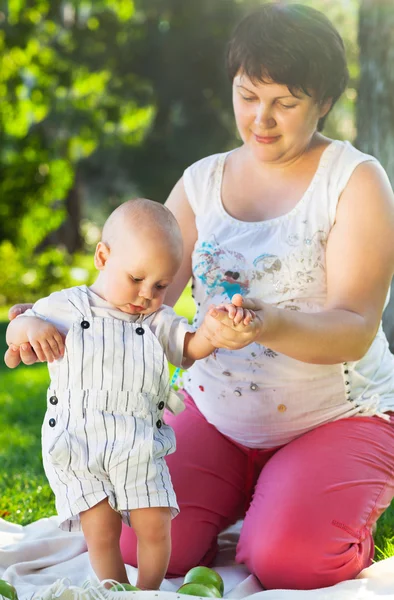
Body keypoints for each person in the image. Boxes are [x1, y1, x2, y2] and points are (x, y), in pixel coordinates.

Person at [6, 2, 394, 592]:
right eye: (247, 95)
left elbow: (355, 326)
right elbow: (137, 293)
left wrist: (267, 324)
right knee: (143, 540)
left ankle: (306, 508)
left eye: (285, 103)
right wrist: (57, 318)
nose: (260, 119)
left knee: (289, 562)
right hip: (217, 414)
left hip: (337, 416)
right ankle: (257, 496)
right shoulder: (202, 182)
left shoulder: (355, 180)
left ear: (324, 103)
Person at [5, 198, 253, 590]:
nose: (145, 294)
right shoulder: (65, 306)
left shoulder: (156, 320)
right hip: (78, 441)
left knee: (154, 524)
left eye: (160, 285)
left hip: (137, 442)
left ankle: (148, 591)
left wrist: (212, 332)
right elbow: (17, 328)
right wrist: (28, 328)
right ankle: (114, 590)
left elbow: (188, 347)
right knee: (100, 531)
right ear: (102, 257)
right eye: (136, 278)